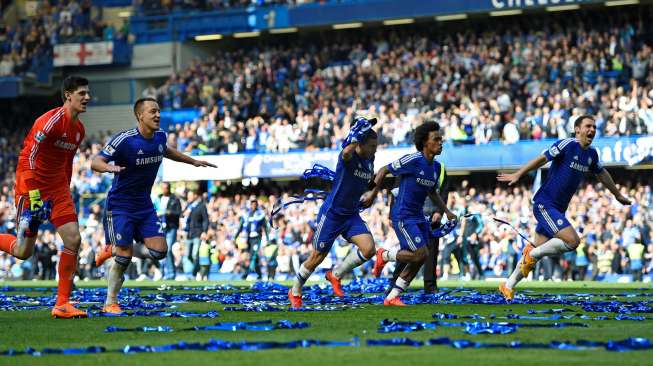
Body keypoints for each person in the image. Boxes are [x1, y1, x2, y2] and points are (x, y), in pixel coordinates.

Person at [90, 97, 216, 314]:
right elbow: (95, 161)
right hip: (120, 206)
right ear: (140, 116)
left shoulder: (160, 136)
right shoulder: (125, 139)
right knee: (123, 258)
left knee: (159, 252)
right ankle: (110, 302)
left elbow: (165, 150)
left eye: (158, 111)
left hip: (145, 205)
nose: (157, 115)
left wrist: (192, 161)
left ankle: (114, 248)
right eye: (152, 112)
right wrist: (109, 169)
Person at [497, 115, 631, 300]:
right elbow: (542, 159)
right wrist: (519, 174)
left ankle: (508, 285)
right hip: (545, 204)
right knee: (572, 241)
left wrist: (617, 195)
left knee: (534, 252)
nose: (592, 130)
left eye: (594, 126)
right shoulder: (567, 145)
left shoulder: (591, 154)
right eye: (588, 126)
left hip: (558, 210)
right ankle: (532, 254)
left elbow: (602, 174)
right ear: (577, 130)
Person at [0, 75, 90, 318]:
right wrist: (36, 197)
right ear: (68, 95)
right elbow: (27, 158)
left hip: (57, 189)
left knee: (73, 239)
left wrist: (65, 190)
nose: (87, 98)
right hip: (31, 189)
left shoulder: (79, 131)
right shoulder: (49, 122)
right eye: (82, 93)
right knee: (22, 251)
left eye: (87, 93)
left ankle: (62, 303)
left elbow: (67, 164)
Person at [288, 117, 378, 309]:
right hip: (333, 214)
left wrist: (372, 193)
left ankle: (335, 275)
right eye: (371, 146)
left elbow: (371, 181)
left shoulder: (370, 160)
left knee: (369, 249)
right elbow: (346, 152)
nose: (374, 150)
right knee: (317, 257)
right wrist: (355, 135)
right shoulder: (349, 157)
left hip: (351, 214)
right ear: (360, 143)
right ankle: (295, 290)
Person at [363, 122, 456, 306]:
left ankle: (392, 297)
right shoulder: (412, 160)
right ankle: (384, 255)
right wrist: (373, 194)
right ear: (424, 142)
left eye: (441, 139)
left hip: (418, 216)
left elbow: (432, 192)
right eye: (436, 139)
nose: (440, 142)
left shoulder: (436, 168)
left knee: (421, 256)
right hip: (403, 215)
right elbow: (383, 170)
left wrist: (447, 211)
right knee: (420, 253)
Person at [387, 160, 448, 294]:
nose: (440, 143)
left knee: (430, 253)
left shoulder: (440, 168)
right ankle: (394, 283)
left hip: (431, 217)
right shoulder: (410, 162)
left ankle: (430, 286)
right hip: (409, 216)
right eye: (436, 140)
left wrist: (440, 211)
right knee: (409, 250)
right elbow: (395, 191)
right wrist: (391, 214)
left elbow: (443, 192)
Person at [233, 197, 270, 280]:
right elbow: (240, 227)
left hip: (257, 238)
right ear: (250, 205)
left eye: (255, 204)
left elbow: (265, 228)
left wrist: (267, 239)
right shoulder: (247, 215)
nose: (253, 206)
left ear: (257, 205)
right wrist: (235, 236)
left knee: (253, 256)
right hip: (248, 239)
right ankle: (259, 274)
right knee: (252, 257)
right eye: (252, 204)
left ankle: (245, 274)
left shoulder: (260, 215)